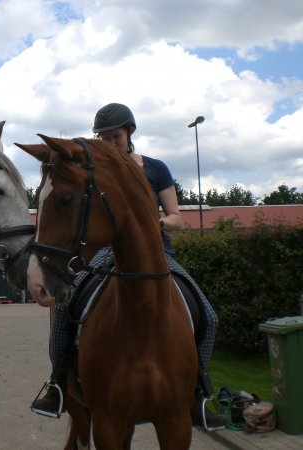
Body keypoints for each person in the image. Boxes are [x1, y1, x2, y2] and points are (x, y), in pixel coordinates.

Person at [30, 103, 227, 429]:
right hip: (105, 254)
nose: (111, 143)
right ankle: (58, 382)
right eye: (104, 138)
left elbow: (177, 217)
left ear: (129, 133)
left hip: (156, 253)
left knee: (208, 314)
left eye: (116, 136)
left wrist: (157, 223)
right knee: (66, 310)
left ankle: (199, 390)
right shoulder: (94, 171)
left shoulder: (155, 168)